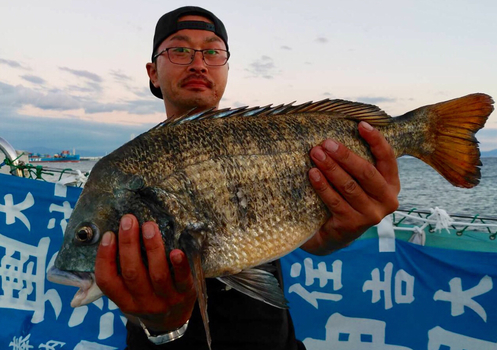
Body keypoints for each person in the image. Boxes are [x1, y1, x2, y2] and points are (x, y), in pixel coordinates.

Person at [94, 6, 400, 350]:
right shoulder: (123, 175)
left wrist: (334, 234)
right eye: (179, 50)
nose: (199, 63)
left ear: (225, 69)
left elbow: (306, 236)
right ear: (152, 72)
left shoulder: (256, 143)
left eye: (213, 52)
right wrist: (162, 326)